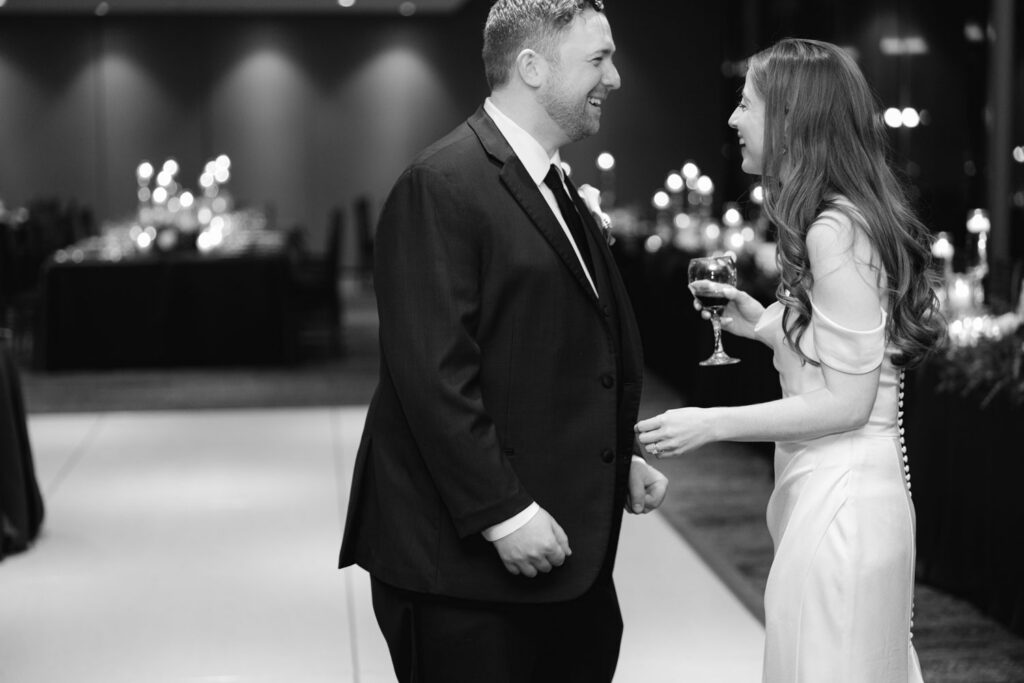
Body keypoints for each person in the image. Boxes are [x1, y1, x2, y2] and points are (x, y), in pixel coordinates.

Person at [338, 2, 668, 681]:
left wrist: (613, 453)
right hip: (465, 575)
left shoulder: (553, 182)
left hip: (566, 559)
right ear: (530, 67)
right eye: (598, 60)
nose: (617, 78)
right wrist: (503, 513)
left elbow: (549, 346)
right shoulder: (443, 182)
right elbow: (431, 373)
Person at [636, 38, 944, 682]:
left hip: (844, 504)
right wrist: (768, 323)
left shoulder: (835, 229)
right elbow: (849, 361)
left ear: (791, 120)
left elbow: (850, 403)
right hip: (833, 491)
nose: (732, 119)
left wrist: (711, 424)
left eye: (746, 104)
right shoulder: (831, 220)